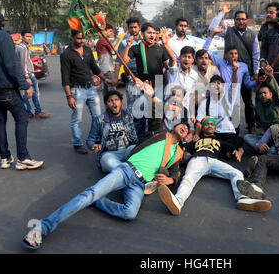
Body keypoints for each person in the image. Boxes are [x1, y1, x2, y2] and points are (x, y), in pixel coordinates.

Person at [22, 121, 190, 250]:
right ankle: (42, 227)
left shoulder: (178, 154)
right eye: (182, 125)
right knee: (91, 192)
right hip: (125, 170)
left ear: (186, 137)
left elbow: (175, 173)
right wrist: (151, 96)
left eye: (187, 129)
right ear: (173, 126)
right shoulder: (159, 133)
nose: (184, 128)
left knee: (130, 213)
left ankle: (98, 202)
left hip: (139, 185)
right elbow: (155, 113)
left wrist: (171, 180)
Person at [0, 8, 44, 170]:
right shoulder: (3, 37)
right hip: (5, 87)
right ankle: (23, 158)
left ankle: (4, 157)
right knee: (22, 118)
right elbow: (12, 65)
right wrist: (26, 85)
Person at [158, 116, 271, 215]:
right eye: (206, 124)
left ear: (215, 128)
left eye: (212, 124)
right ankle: (178, 201)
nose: (209, 125)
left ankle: (242, 197)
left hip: (215, 162)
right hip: (198, 159)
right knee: (188, 179)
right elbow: (181, 150)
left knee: (236, 173)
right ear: (202, 128)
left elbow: (238, 141)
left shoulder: (220, 141)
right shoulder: (195, 141)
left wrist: (239, 151)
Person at [60, 30, 116, 154]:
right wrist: (69, 96)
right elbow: (65, 78)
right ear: (72, 37)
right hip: (76, 90)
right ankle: (77, 143)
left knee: (98, 118)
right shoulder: (66, 55)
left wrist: (106, 79)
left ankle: (98, 141)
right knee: (77, 119)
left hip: (91, 88)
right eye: (79, 38)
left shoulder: (87, 50)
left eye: (83, 38)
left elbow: (95, 68)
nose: (82, 41)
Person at [209, 3, 260, 133]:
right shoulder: (228, 30)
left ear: (247, 20)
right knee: (229, 101)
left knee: (248, 102)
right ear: (234, 20)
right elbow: (212, 27)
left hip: (245, 72)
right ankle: (229, 127)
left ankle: (250, 125)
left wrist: (256, 72)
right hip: (228, 71)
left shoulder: (252, 35)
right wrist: (222, 13)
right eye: (238, 19)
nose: (241, 21)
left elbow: (256, 55)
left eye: (243, 19)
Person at [120, 23, 176, 139]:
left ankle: (154, 139)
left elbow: (170, 64)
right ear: (142, 33)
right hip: (143, 86)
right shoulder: (136, 48)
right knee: (139, 116)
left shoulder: (160, 48)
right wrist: (127, 46)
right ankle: (139, 141)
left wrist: (168, 48)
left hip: (159, 83)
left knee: (156, 115)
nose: (152, 35)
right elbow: (123, 60)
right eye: (149, 33)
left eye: (155, 33)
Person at [86, 90, 139, 173]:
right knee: (107, 162)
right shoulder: (99, 120)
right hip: (109, 154)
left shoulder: (128, 116)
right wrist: (93, 146)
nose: (114, 103)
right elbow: (90, 139)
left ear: (121, 102)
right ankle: (128, 170)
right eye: (110, 101)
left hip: (127, 151)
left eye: (116, 100)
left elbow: (136, 136)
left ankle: (122, 171)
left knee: (137, 150)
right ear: (106, 105)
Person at [243, 61, 279, 153]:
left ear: (271, 95)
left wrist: (271, 77)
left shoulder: (276, 103)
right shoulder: (258, 107)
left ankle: (265, 151)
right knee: (247, 137)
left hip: (278, 136)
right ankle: (264, 149)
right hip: (266, 136)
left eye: (265, 93)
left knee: (272, 151)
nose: (262, 95)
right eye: (261, 94)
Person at [15, 29, 51, 120]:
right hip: (27, 74)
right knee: (28, 94)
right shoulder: (22, 48)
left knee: (34, 93)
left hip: (30, 74)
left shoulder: (24, 46)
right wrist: (27, 76)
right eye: (27, 36)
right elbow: (23, 64)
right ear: (22, 37)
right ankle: (29, 113)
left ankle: (35, 112)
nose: (29, 38)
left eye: (30, 36)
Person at [117, 17, 142, 113]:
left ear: (139, 28)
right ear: (128, 29)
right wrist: (115, 77)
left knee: (145, 104)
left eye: (135, 27)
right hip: (131, 77)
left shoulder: (144, 41)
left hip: (143, 77)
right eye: (131, 27)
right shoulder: (123, 43)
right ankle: (131, 127)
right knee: (132, 105)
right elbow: (119, 61)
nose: (133, 29)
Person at [165, 45, 198, 112]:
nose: (186, 59)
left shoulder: (194, 75)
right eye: (184, 56)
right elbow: (172, 60)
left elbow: (191, 96)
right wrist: (166, 44)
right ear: (180, 58)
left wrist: (192, 114)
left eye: (189, 57)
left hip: (185, 111)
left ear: (192, 60)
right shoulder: (173, 70)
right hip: (171, 108)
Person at [95, 24, 118, 97]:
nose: (111, 33)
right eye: (110, 31)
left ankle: (107, 106)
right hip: (108, 68)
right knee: (112, 90)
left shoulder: (99, 41)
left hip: (103, 68)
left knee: (106, 90)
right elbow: (114, 52)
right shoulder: (104, 40)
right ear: (104, 31)